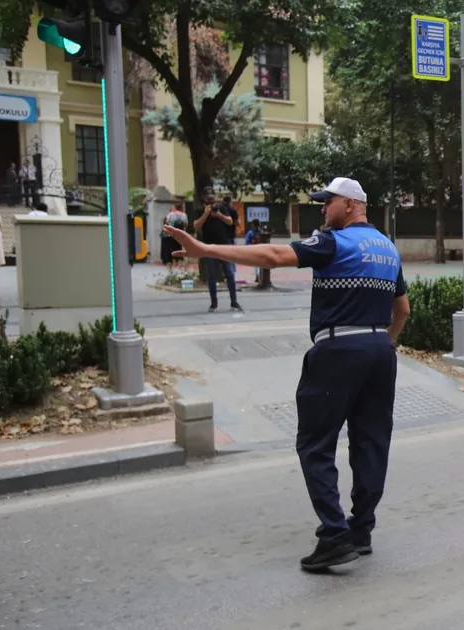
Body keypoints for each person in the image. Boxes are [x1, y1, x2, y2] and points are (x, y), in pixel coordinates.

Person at [164, 177, 411, 572]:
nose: (322, 209)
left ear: (349, 204)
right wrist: (386, 345)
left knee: (316, 443)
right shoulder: (387, 249)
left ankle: (335, 536)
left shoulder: (334, 242)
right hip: (380, 350)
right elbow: (403, 311)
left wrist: (205, 249)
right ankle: (361, 530)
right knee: (371, 442)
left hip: (337, 351)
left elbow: (276, 256)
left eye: (326, 202)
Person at [193, 192, 242, 313]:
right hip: (209, 247)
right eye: (208, 200)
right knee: (212, 277)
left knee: (230, 274)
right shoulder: (201, 211)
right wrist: (205, 214)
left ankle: (234, 302)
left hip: (224, 246)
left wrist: (219, 215)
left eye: (212, 199)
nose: (211, 202)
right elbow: (196, 226)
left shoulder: (221, 208)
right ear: (205, 200)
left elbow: (230, 221)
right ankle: (213, 304)